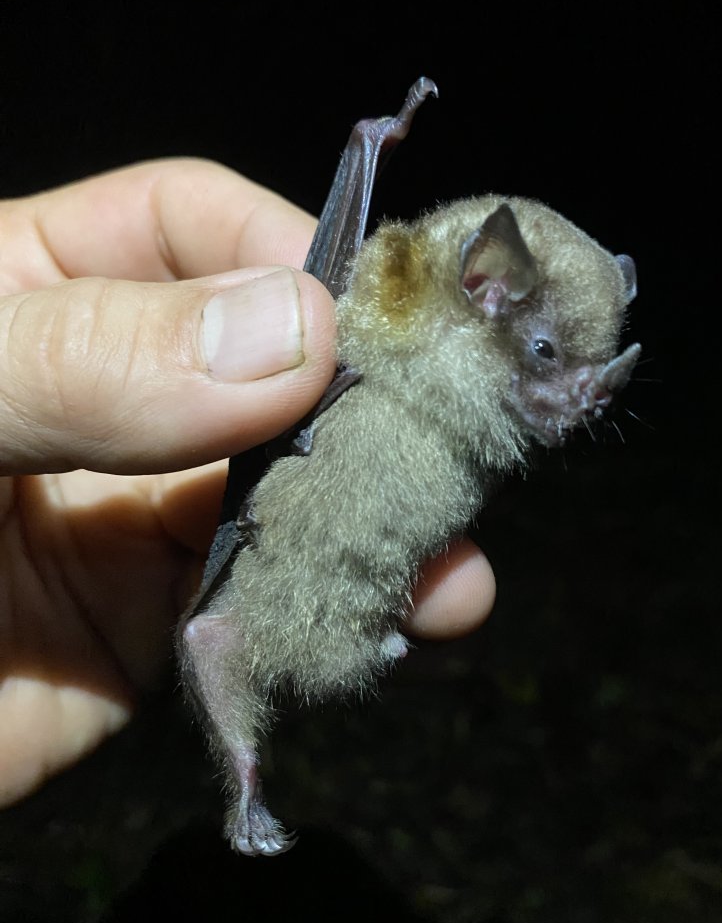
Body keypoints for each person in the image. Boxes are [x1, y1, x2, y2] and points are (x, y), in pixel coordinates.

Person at [0, 158, 496, 808]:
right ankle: (244, 778)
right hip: (293, 516)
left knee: (208, 632)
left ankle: (246, 779)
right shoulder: (379, 343)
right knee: (207, 634)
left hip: (321, 573)